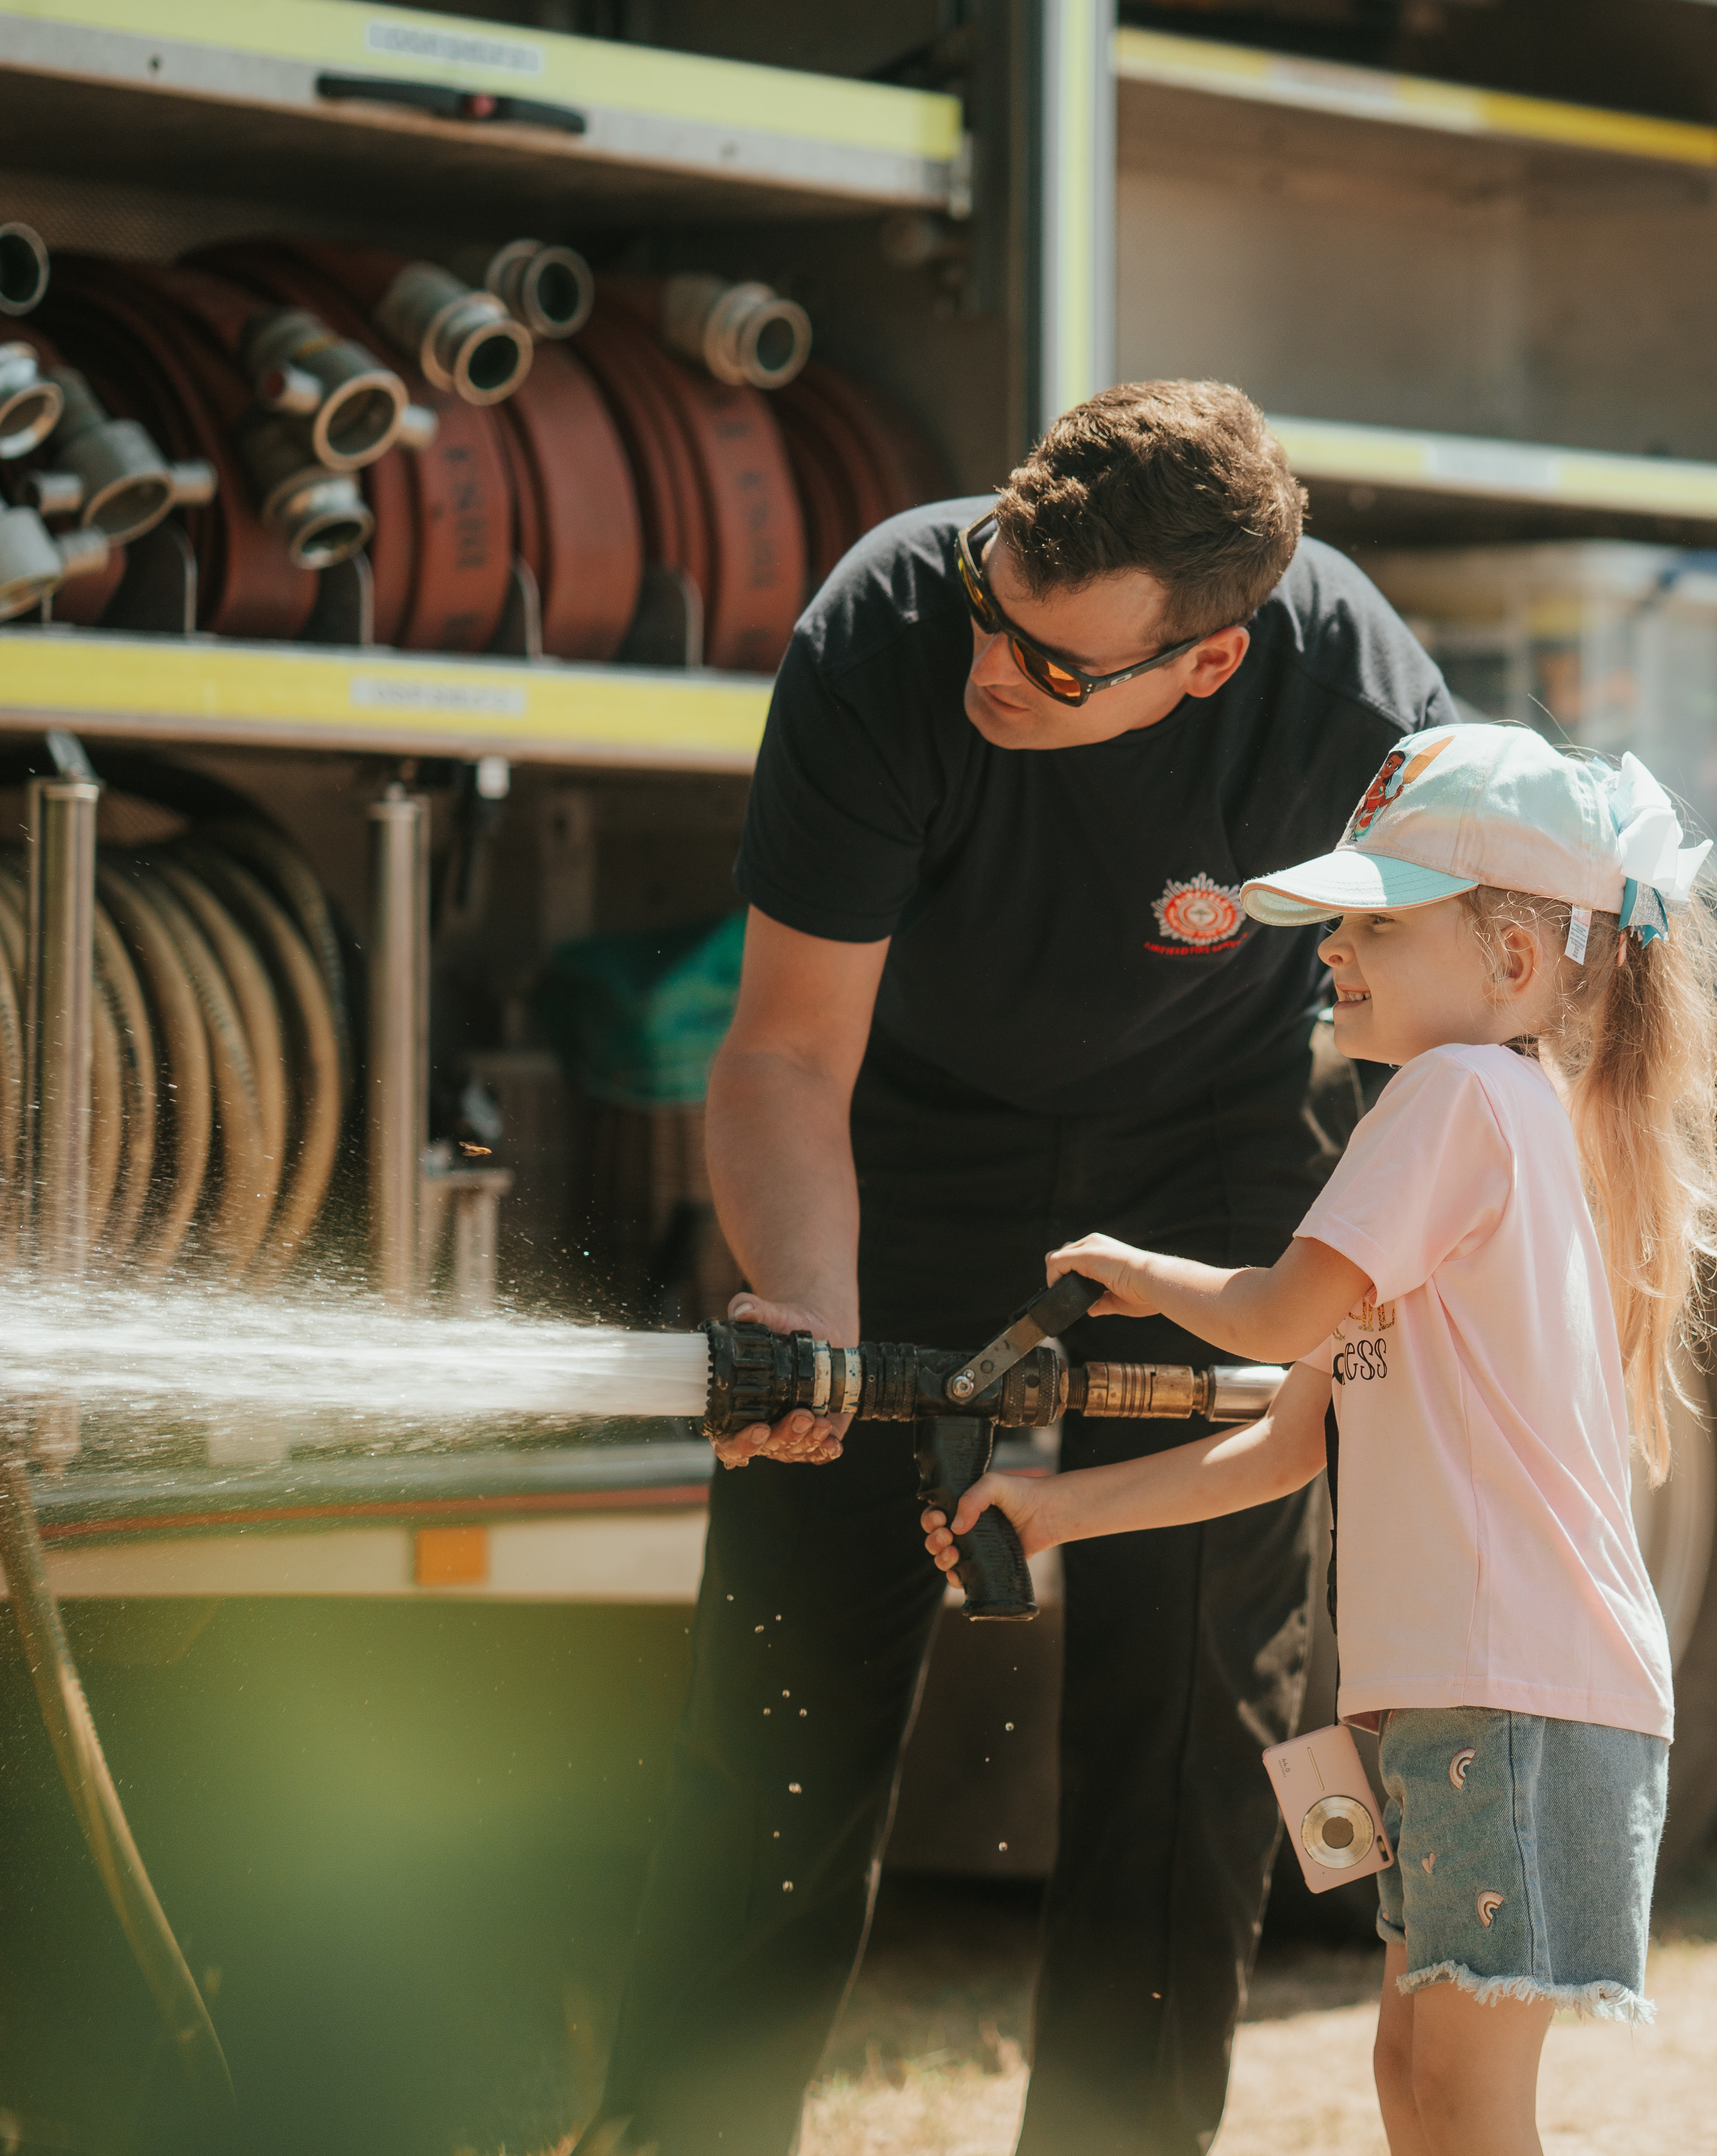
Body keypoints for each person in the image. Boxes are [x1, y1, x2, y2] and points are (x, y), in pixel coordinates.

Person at [580, 380, 1454, 2156]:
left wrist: (1355, 1306)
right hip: (894, 1151)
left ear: (1206, 664)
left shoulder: (1353, 708)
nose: (997, 669)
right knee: (780, 1718)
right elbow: (779, 1059)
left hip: (1212, 1157)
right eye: (996, 606)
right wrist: (809, 1316)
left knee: (1183, 1735)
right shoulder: (894, 625)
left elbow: (1450, 1054)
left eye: (1059, 668)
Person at [922, 723, 1717, 2156]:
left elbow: (1270, 1316)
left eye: (1377, 921)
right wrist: (1062, 1515)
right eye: (1337, 923)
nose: (1333, 951)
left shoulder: (1456, 1098)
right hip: (1478, 1702)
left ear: (1512, 962)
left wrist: (1135, 1267)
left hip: (1513, 1704)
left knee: (1464, 2102)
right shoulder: (1499, 1114)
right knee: (1415, 2084)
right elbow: (1294, 1439)